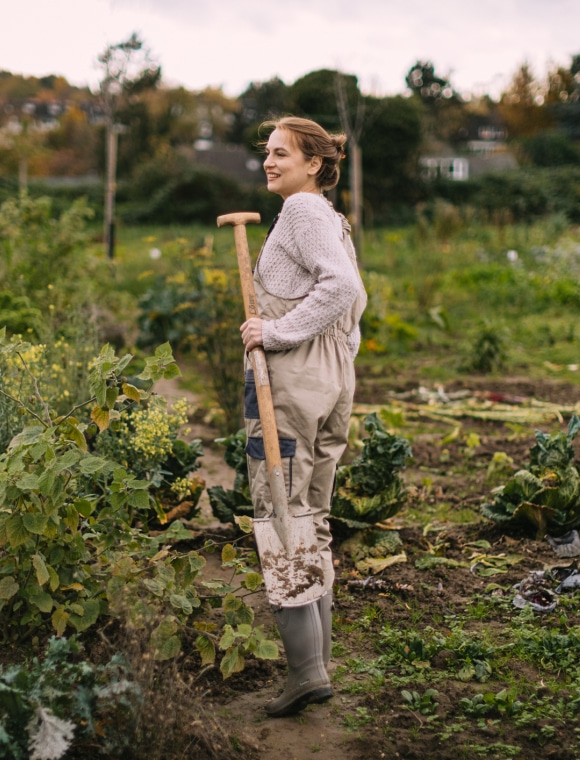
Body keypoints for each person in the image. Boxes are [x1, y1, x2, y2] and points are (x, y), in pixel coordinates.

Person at [239, 116, 367, 718]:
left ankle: (306, 671)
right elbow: (353, 302)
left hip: (291, 381)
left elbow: (338, 287)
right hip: (330, 377)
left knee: (281, 512)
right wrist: (334, 361)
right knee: (311, 514)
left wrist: (279, 331)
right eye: (266, 152)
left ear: (314, 163)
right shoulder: (332, 220)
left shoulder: (302, 212)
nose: (269, 162)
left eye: (281, 153)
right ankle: (317, 665)